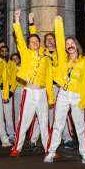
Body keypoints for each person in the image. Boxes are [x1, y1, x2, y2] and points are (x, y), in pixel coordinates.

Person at [45, 16, 85, 164]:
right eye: (67, 44)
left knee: (80, 126)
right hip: (64, 94)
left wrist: (84, 101)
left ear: (77, 45)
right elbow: (59, 41)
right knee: (57, 124)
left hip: (78, 95)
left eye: (72, 43)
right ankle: (51, 152)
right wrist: (58, 23)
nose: (69, 46)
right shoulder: (63, 60)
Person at [10, 9, 54, 157]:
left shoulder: (45, 58)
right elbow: (20, 37)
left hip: (42, 93)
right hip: (28, 92)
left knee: (44, 122)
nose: (34, 43)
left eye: (36, 41)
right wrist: (17, 19)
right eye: (31, 42)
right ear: (28, 45)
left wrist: (51, 97)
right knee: (24, 121)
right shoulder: (25, 52)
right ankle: (17, 148)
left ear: (39, 44)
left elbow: (49, 79)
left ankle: (49, 150)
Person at [28, 13, 75, 150]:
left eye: (51, 39)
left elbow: (61, 40)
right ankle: (33, 140)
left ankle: (68, 139)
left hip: (58, 87)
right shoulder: (41, 52)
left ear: (54, 41)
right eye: (47, 39)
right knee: (40, 113)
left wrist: (58, 23)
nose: (49, 41)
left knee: (63, 113)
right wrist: (31, 23)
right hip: (44, 87)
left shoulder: (61, 53)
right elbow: (33, 39)